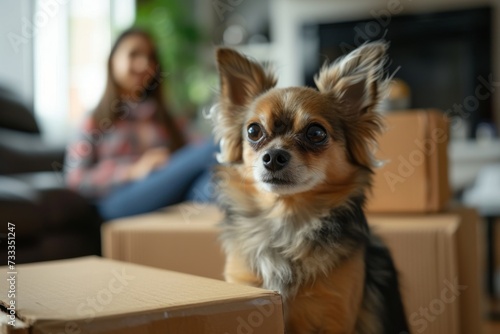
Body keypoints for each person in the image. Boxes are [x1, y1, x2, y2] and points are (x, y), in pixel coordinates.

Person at [65, 28, 217, 220]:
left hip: (166, 194)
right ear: (113, 61)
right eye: (134, 54)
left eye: (150, 57)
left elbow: (194, 152)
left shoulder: (165, 118)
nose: (144, 63)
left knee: (211, 184)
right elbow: (75, 179)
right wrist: (132, 171)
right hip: (117, 201)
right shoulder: (95, 120)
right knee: (216, 145)